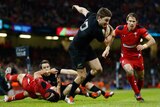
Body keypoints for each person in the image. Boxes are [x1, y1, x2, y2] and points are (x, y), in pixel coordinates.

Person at [102, 12, 156, 102]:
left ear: (136, 22)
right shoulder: (121, 28)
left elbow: (152, 40)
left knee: (141, 77)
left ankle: (137, 92)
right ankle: (138, 94)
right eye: (130, 21)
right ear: (127, 21)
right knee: (129, 71)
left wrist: (144, 46)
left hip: (137, 57)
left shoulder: (141, 30)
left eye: (133, 21)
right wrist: (107, 48)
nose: (131, 23)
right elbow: (112, 35)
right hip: (125, 57)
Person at [66, 5, 114, 104]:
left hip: (85, 47)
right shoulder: (96, 30)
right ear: (99, 18)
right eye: (106, 20)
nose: (107, 23)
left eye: (109, 20)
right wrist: (110, 31)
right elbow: (106, 40)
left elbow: (83, 10)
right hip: (76, 50)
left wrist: (76, 7)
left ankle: (83, 84)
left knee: (98, 69)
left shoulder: (92, 16)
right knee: (82, 75)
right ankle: (69, 96)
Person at [36, 60, 113, 100]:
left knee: (83, 82)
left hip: (62, 89)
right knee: (71, 87)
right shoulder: (40, 76)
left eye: (48, 67)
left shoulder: (54, 71)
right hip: (56, 94)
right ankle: (89, 94)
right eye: (44, 67)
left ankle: (103, 93)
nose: (47, 68)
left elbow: (68, 71)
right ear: (41, 69)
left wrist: (78, 74)